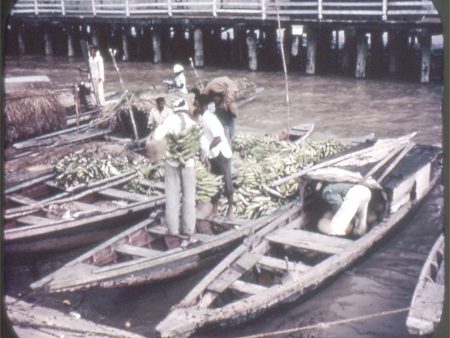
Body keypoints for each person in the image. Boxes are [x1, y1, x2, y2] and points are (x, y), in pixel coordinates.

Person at [153, 98, 198, 239]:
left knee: (172, 196)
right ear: (186, 109)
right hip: (188, 164)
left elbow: (157, 136)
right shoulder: (193, 123)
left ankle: (173, 230)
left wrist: (168, 136)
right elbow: (202, 145)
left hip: (172, 163)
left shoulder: (170, 120)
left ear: (175, 109)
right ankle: (189, 229)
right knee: (189, 197)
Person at [194, 93, 234, 220]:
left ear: (203, 105)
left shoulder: (210, 119)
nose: (195, 105)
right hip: (213, 155)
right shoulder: (202, 118)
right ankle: (215, 210)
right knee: (214, 182)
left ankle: (230, 210)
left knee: (227, 181)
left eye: (196, 103)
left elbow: (218, 138)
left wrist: (207, 149)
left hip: (221, 153)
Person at [201, 76, 238, 145]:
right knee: (220, 123)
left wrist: (226, 103)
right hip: (219, 106)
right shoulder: (209, 89)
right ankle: (222, 138)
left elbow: (233, 93)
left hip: (227, 103)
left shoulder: (229, 87)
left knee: (230, 122)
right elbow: (203, 98)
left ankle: (233, 139)